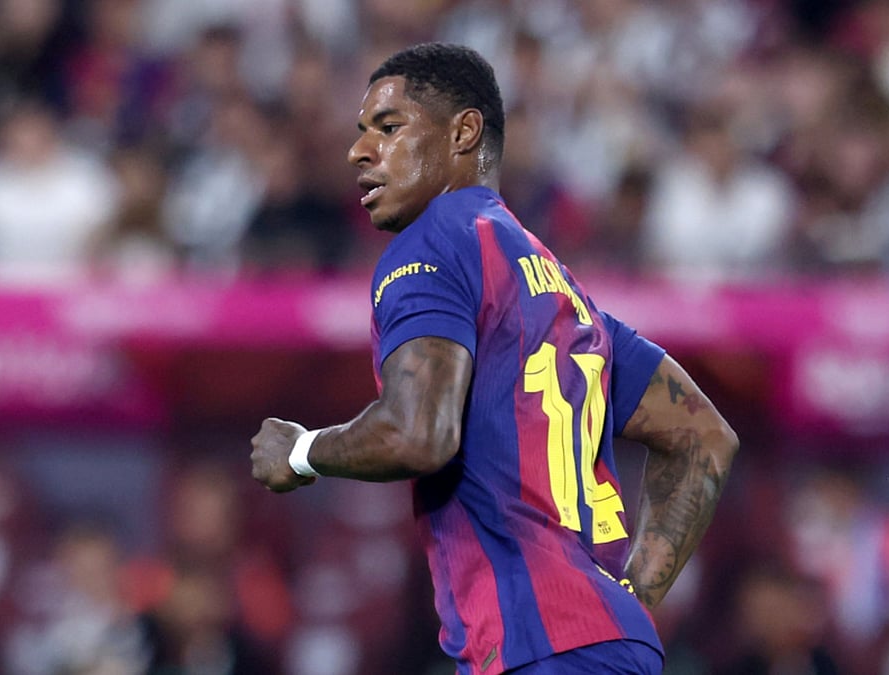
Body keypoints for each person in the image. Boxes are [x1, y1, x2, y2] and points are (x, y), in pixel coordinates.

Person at [250, 42, 740, 675]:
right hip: (609, 648)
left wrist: (301, 452)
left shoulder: (431, 245)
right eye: (361, 132)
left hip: (533, 647)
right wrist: (632, 603)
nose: (359, 151)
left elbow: (418, 433)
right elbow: (704, 436)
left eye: (389, 127)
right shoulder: (566, 294)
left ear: (464, 131)